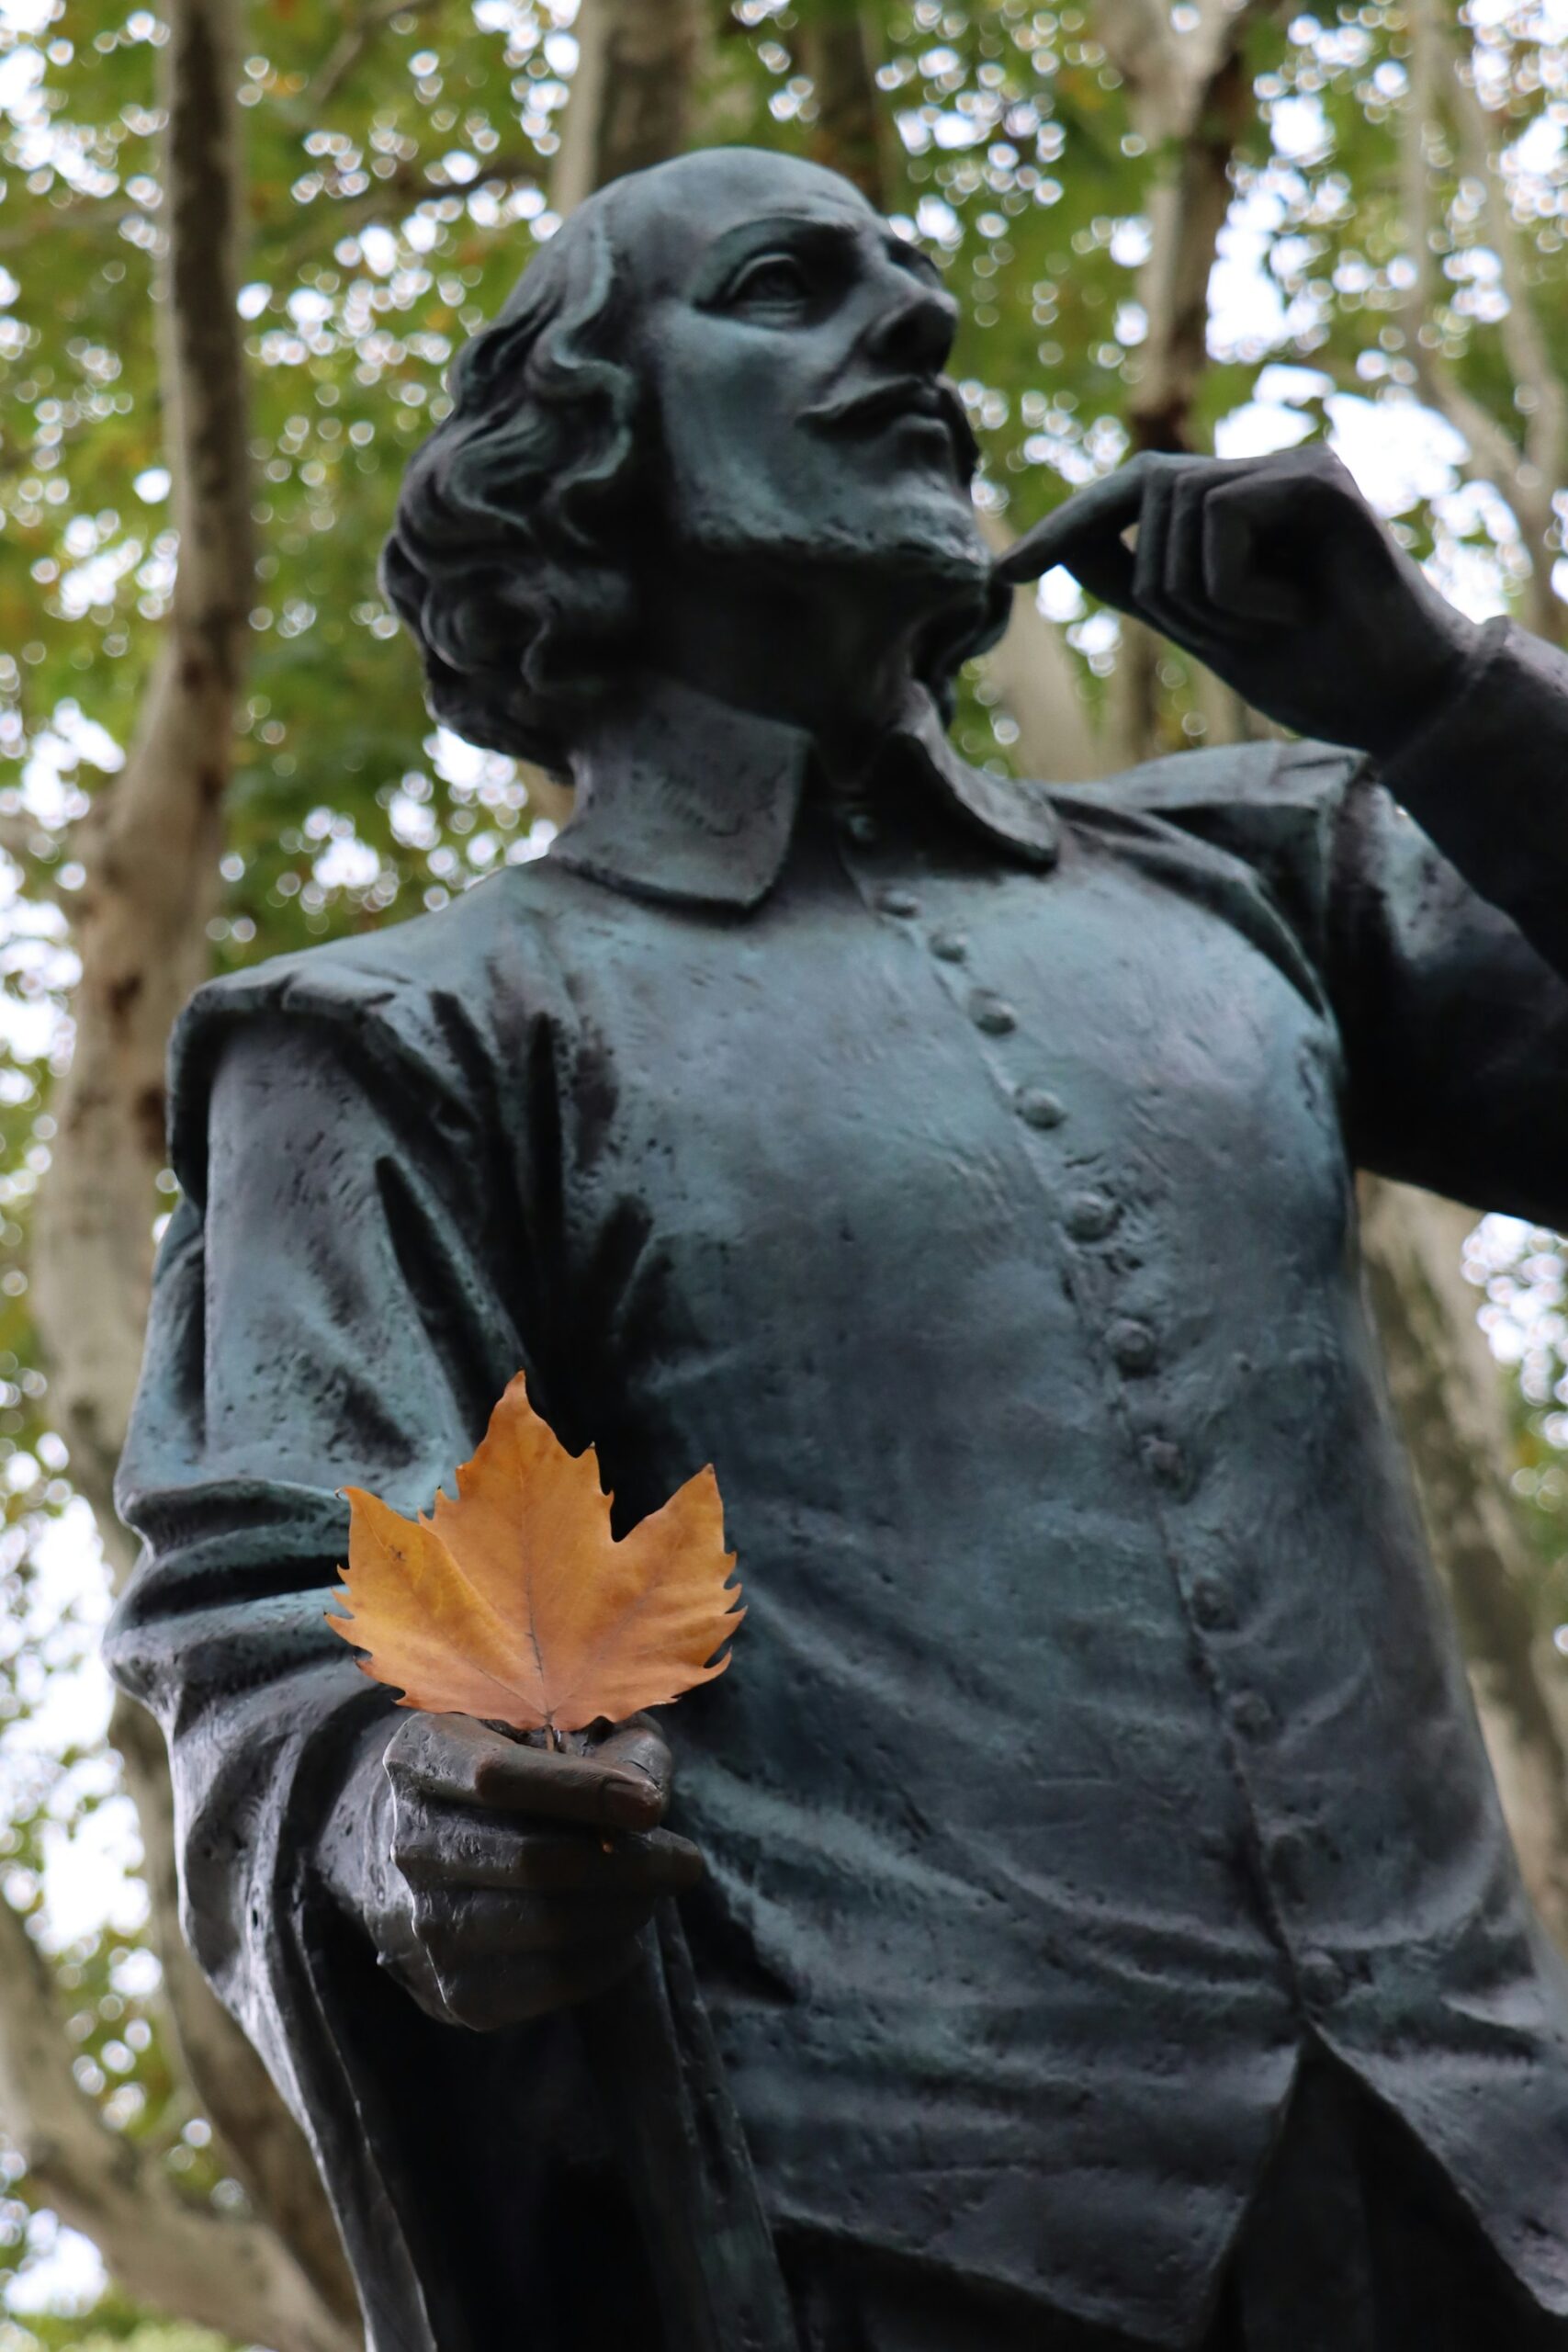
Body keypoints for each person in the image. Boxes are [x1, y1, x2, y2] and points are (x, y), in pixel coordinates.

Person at [108, 145, 1568, 2351]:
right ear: (574, 449)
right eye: (791, 288)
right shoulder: (397, 1036)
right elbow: (274, 1617)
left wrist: (1454, 706)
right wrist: (402, 1812)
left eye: (917, 288)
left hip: (1488, 2198)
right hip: (902, 2247)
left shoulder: (1256, 875)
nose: (918, 335)